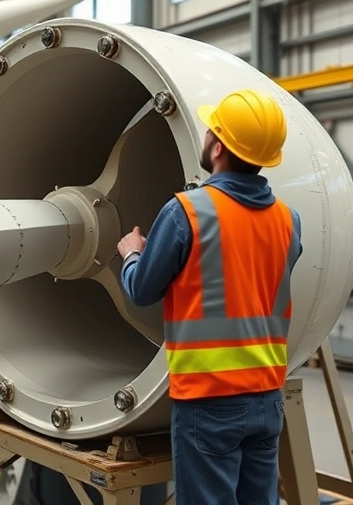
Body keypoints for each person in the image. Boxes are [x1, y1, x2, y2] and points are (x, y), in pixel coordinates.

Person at [116, 89, 303, 505]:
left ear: (217, 146)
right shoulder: (289, 221)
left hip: (210, 401)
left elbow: (142, 291)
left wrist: (131, 254)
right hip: (267, 398)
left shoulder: (187, 211)